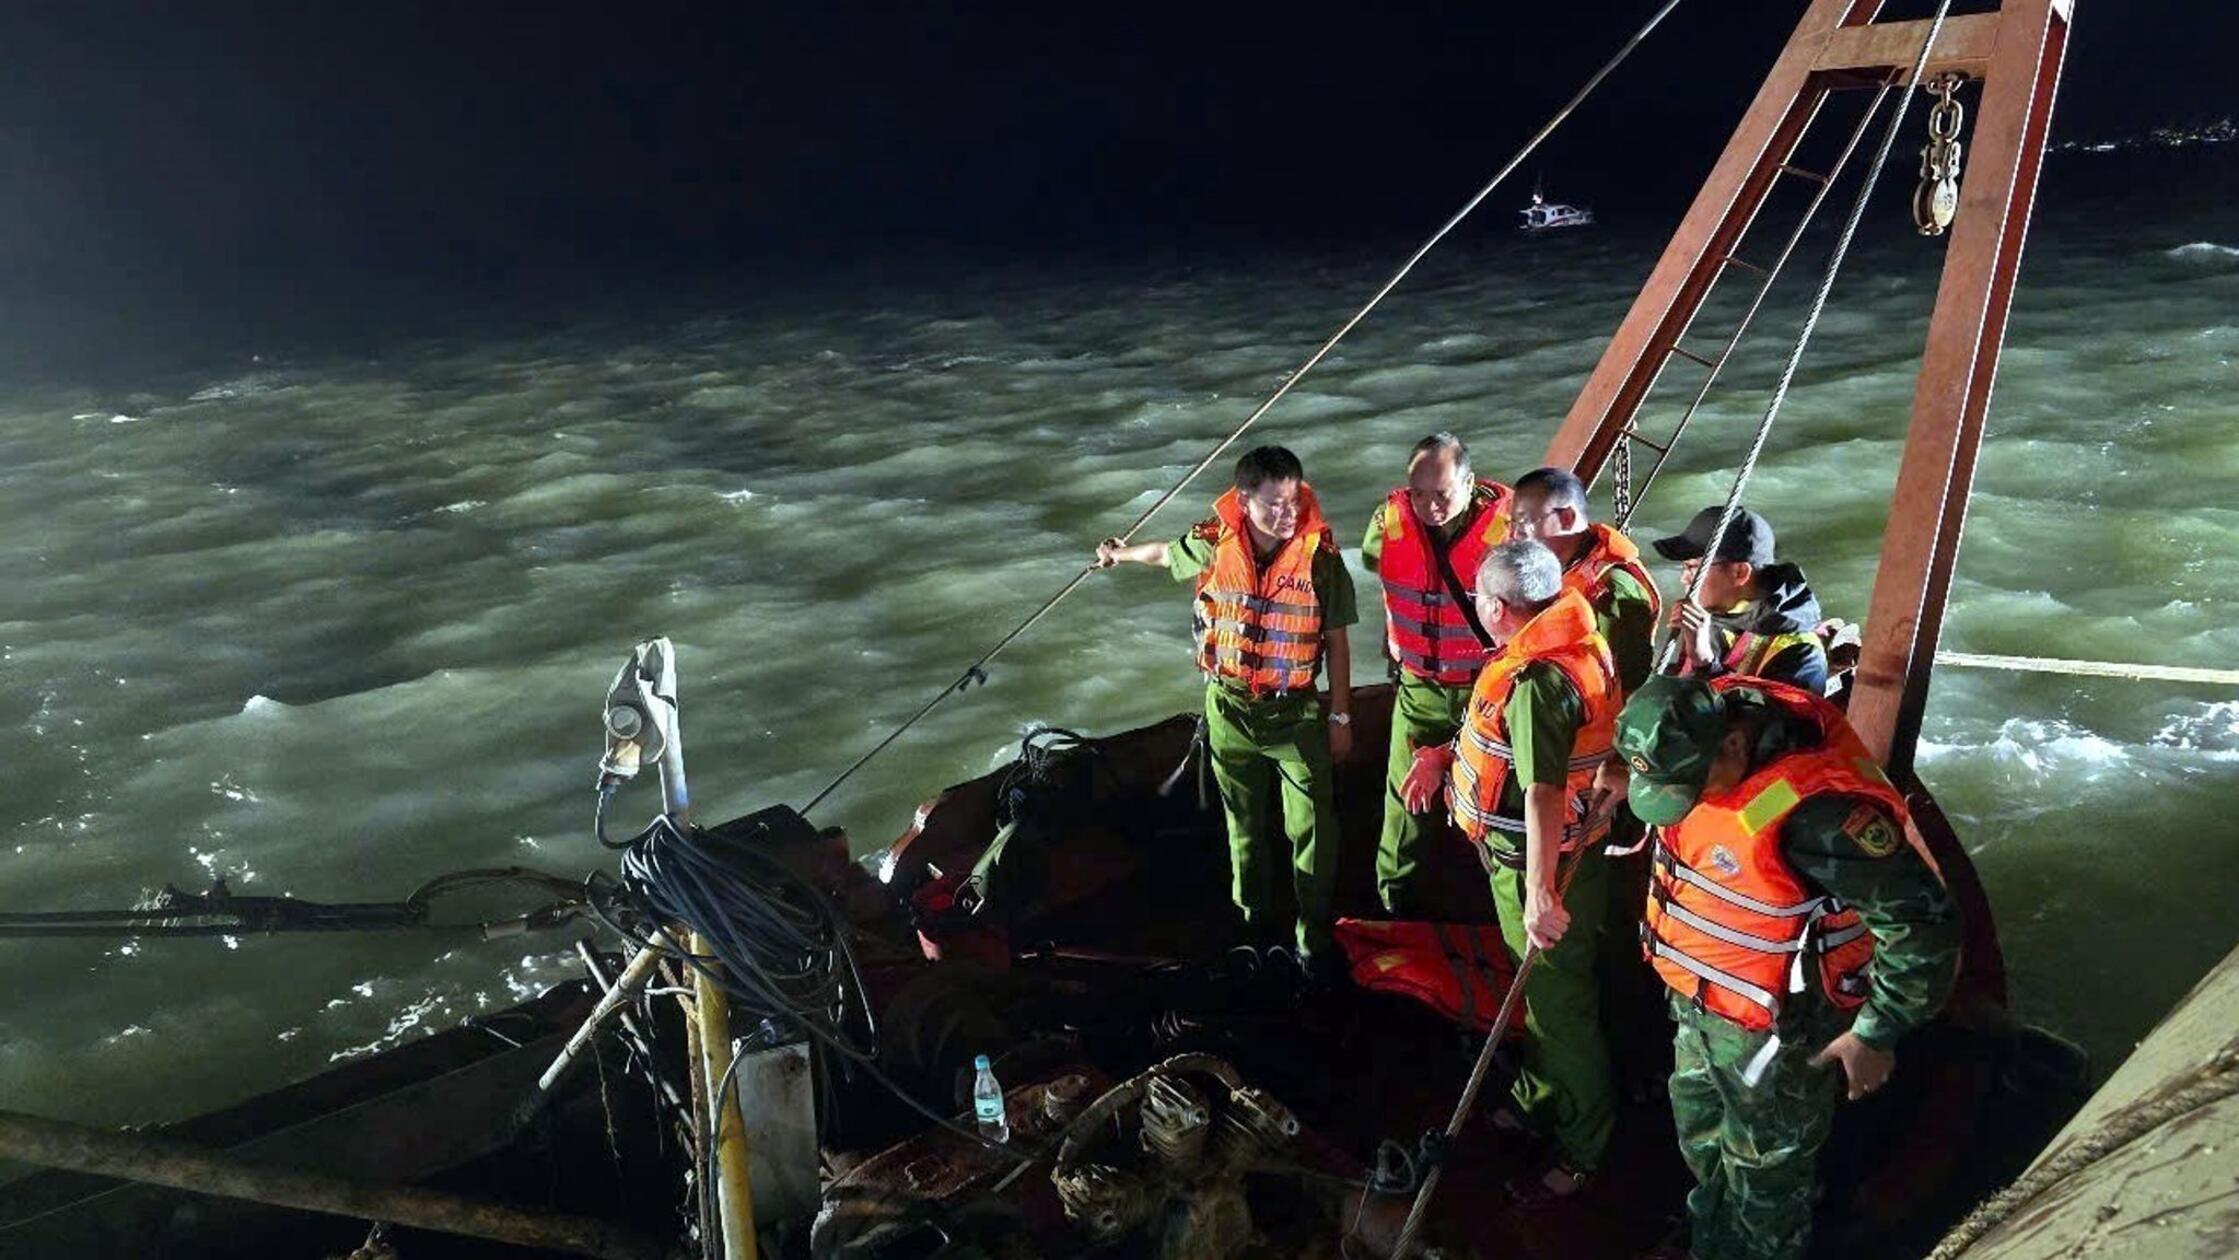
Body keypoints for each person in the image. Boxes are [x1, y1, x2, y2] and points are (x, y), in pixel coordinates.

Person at [1612, 673, 1961, 1260]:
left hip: (1776, 1032)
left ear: (1731, 745)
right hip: (1702, 1006)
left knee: (1767, 1172)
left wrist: (1877, 1031)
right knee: (1702, 1138)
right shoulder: (1712, 718)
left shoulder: (1818, 815)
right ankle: (1710, 1243)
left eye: (1691, 785)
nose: (1689, 802)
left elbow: (1925, 924)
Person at [1400, 540, 1620, 1200]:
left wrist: (1539, 893)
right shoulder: (1567, 637)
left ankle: (1584, 1144)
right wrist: (1440, 755)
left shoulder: (1538, 682)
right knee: (1542, 999)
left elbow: (1542, 791)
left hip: (1539, 867)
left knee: (1561, 1011)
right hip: (1525, 865)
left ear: (1495, 607)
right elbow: (1493, 737)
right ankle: (1537, 1097)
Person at [1095, 445, 1358, 966]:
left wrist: (1341, 715)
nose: (1286, 515)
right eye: (1273, 505)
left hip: (1296, 714)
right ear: (1243, 500)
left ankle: (1312, 938)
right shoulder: (1214, 542)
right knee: (1242, 826)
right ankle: (1253, 928)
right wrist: (1117, 554)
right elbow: (1165, 555)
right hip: (1230, 709)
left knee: (1312, 829)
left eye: (1292, 502)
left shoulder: (1321, 559)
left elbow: (1338, 641)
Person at [1359, 432, 1514, 915]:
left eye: (1442, 493)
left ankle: (1500, 904)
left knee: (1496, 798)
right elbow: (1372, 559)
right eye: (1419, 494)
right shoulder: (1387, 522)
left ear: (1469, 483)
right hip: (1419, 686)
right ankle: (1394, 901)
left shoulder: (1509, 533)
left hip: (1486, 691)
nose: (1429, 506)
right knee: (1404, 804)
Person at [1508, 466, 1661, 696]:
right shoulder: (1560, 565)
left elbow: (1627, 684)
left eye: (1525, 522)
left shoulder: (1611, 590)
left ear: (1567, 518)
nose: (1515, 535)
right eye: (1512, 524)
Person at [1653, 506, 1830, 693]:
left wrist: (1704, 662)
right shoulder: (1713, 619)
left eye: (1693, 567)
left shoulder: (1801, 655)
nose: (1684, 578)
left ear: (1740, 572)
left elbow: (1759, 721)